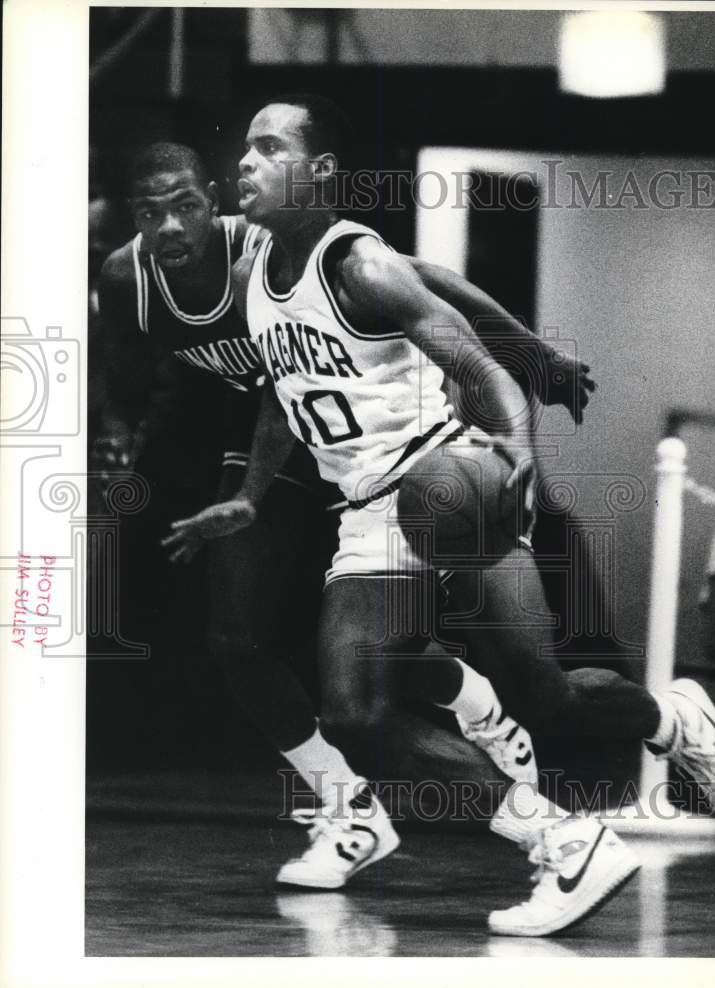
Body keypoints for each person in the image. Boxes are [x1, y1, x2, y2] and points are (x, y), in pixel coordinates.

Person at [166, 94, 715, 936]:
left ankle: (674, 719)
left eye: (268, 149)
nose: (245, 164)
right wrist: (252, 495)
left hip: (446, 486)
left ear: (320, 172)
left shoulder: (356, 267)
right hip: (370, 515)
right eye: (246, 150)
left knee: (544, 697)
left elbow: (480, 368)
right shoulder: (260, 261)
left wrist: (518, 443)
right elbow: (285, 383)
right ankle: (564, 842)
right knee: (355, 718)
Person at [96, 140, 565, 895]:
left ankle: (483, 720)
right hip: (260, 435)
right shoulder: (126, 278)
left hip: (334, 438)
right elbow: (120, 375)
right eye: (152, 213)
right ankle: (352, 808)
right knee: (239, 640)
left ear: (209, 198)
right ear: (133, 219)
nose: (173, 225)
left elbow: (423, 279)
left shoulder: (259, 239)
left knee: (354, 646)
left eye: (186, 205)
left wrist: (530, 346)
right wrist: (118, 437)